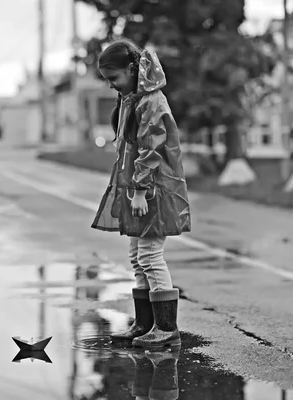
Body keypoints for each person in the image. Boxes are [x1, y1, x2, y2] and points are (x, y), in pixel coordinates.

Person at [90, 39, 191, 349]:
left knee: (149, 256)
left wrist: (141, 190)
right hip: (141, 189)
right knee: (137, 257)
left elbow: (151, 149)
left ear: (132, 69)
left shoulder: (151, 102)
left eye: (114, 78)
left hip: (154, 191)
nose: (112, 86)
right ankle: (145, 323)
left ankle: (166, 328)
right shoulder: (134, 99)